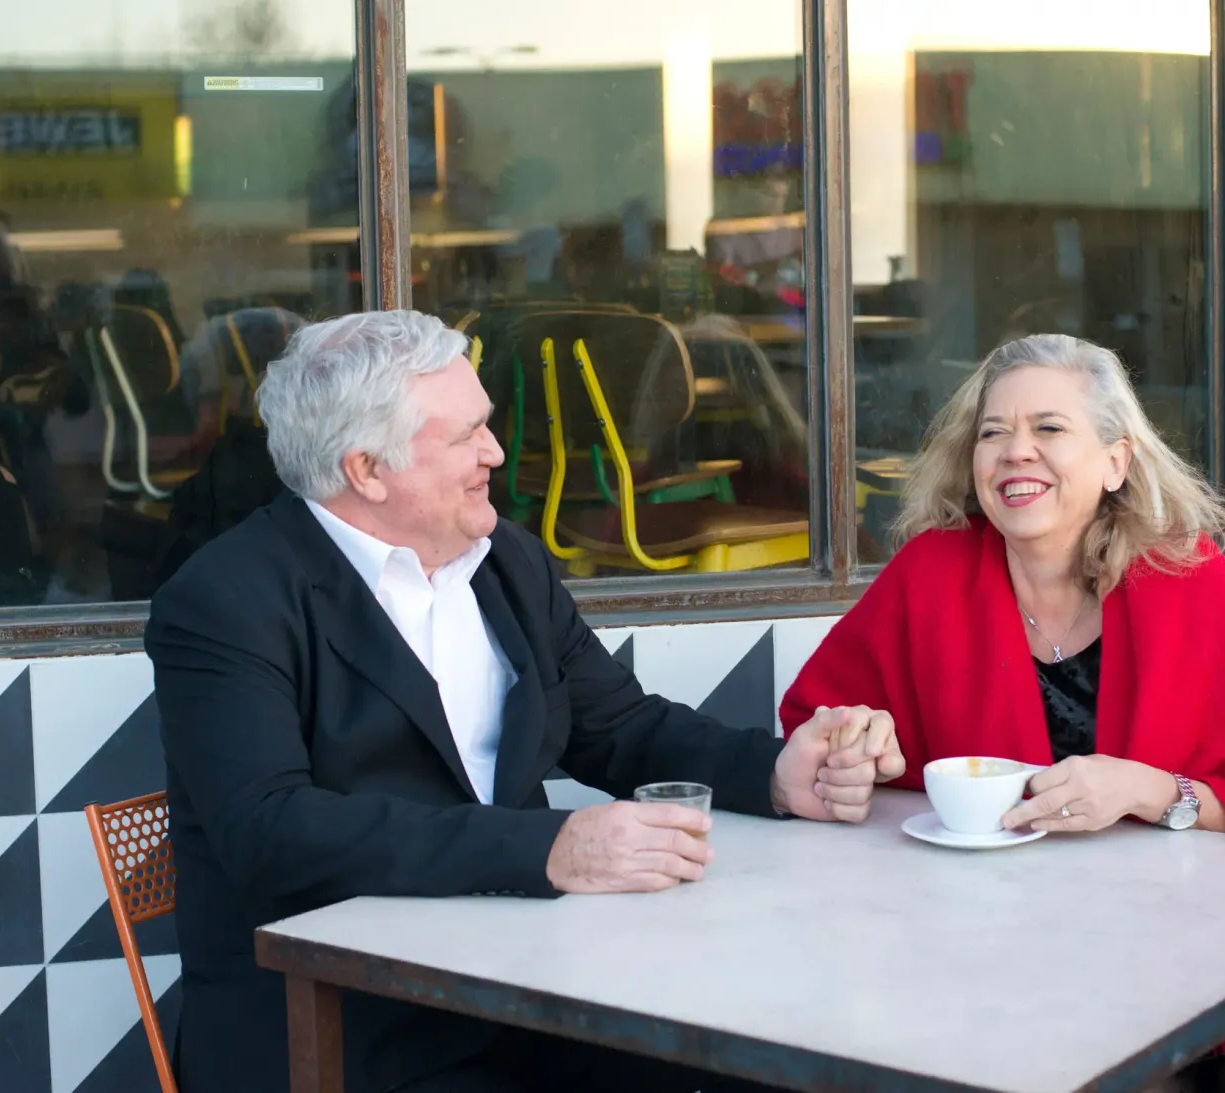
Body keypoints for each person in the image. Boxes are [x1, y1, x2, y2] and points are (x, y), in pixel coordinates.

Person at [145, 309, 905, 1093]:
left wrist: (777, 773)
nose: (496, 453)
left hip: (526, 991)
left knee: (771, 1063)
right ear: (367, 469)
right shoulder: (226, 600)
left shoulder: (503, 559)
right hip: (339, 1028)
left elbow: (621, 728)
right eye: (465, 435)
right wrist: (549, 847)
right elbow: (271, 830)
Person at [779, 334, 1225, 1093]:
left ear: (1115, 462)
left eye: (1049, 427)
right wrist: (851, 750)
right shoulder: (929, 574)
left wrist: (1150, 790)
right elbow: (819, 725)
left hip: (1222, 939)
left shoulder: (1185, 576)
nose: (1016, 450)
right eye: (994, 432)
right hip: (1001, 953)